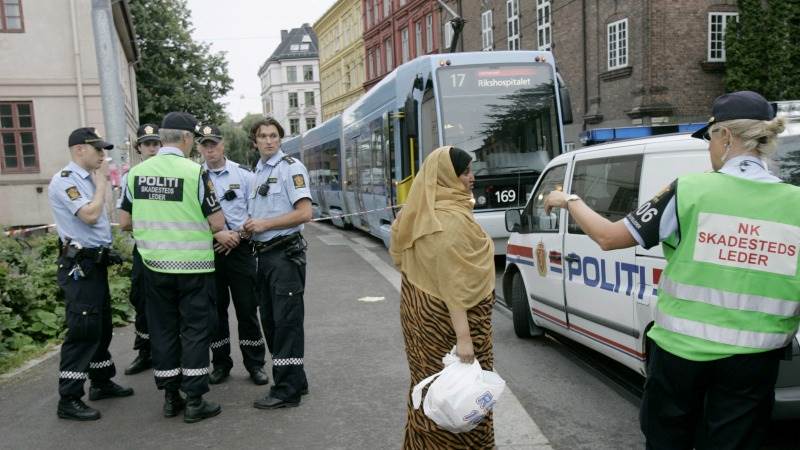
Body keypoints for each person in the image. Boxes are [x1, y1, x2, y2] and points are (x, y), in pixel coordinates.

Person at [543, 91, 799, 449]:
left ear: (725, 137)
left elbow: (608, 237)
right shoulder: (795, 204)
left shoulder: (688, 190)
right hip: (755, 363)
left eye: (709, 138)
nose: (708, 149)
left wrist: (569, 200)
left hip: (682, 357)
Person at [119, 112, 233, 423]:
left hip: (154, 266)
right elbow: (217, 222)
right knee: (195, 330)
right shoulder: (195, 173)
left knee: (163, 330)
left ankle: (171, 397)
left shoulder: (135, 174)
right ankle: (195, 400)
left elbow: (124, 221)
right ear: (185, 139)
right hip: (193, 267)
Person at [390, 146, 497, 449]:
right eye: (464, 172)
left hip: (421, 322)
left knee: (431, 394)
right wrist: (465, 338)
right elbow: (454, 284)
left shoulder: (419, 211)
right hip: (450, 328)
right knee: (464, 400)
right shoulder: (449, 220)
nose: (470, 177)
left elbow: (403, 255)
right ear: (447, 176)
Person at [48, 127, 134, 421]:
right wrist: (100, 186)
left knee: (101, 326)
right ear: (80, 150)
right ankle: (69, 398)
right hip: (79, 267)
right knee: (83, 330)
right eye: (98, 149)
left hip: (93, 265)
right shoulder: (66, 181)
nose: (103, 155)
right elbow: (89, 215)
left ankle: (100, 381)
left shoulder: (85, 179)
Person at [243, 116, 311, 409]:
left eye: (273, 136)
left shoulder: (290, 168)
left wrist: (264, 224)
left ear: (280, 139)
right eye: (263, 136)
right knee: (271, 321)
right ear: (255, 141)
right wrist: (249, 226)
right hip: (265, 256)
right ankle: (297, 380)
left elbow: (304, 212)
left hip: (284, 255)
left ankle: (286, 391)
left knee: (286, 323)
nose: (269, 140)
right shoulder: (257, 171)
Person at [197, 124, 268, 386]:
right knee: (215, 312)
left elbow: (255, 213)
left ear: (223, 144)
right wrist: (217, 235)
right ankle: (221, 363)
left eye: (213, 143)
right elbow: (192, 216)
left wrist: (237, 236)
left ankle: (255, 364)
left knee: (247, 310)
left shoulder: (244, 175)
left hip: (240, 251)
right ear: (199, 148)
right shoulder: (195, 177)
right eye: (205, 144)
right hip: (210, 252)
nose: (210, 148)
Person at [119, 123, 161, 375]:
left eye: (156, 143)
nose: (152, 148)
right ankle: (145, 351)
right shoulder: (131, 177)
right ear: (139, 148)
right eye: (147, 144)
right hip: (144, 247)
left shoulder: (171, 173)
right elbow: (125, 220)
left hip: (171, 246)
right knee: (141, 298)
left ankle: (170, 351)